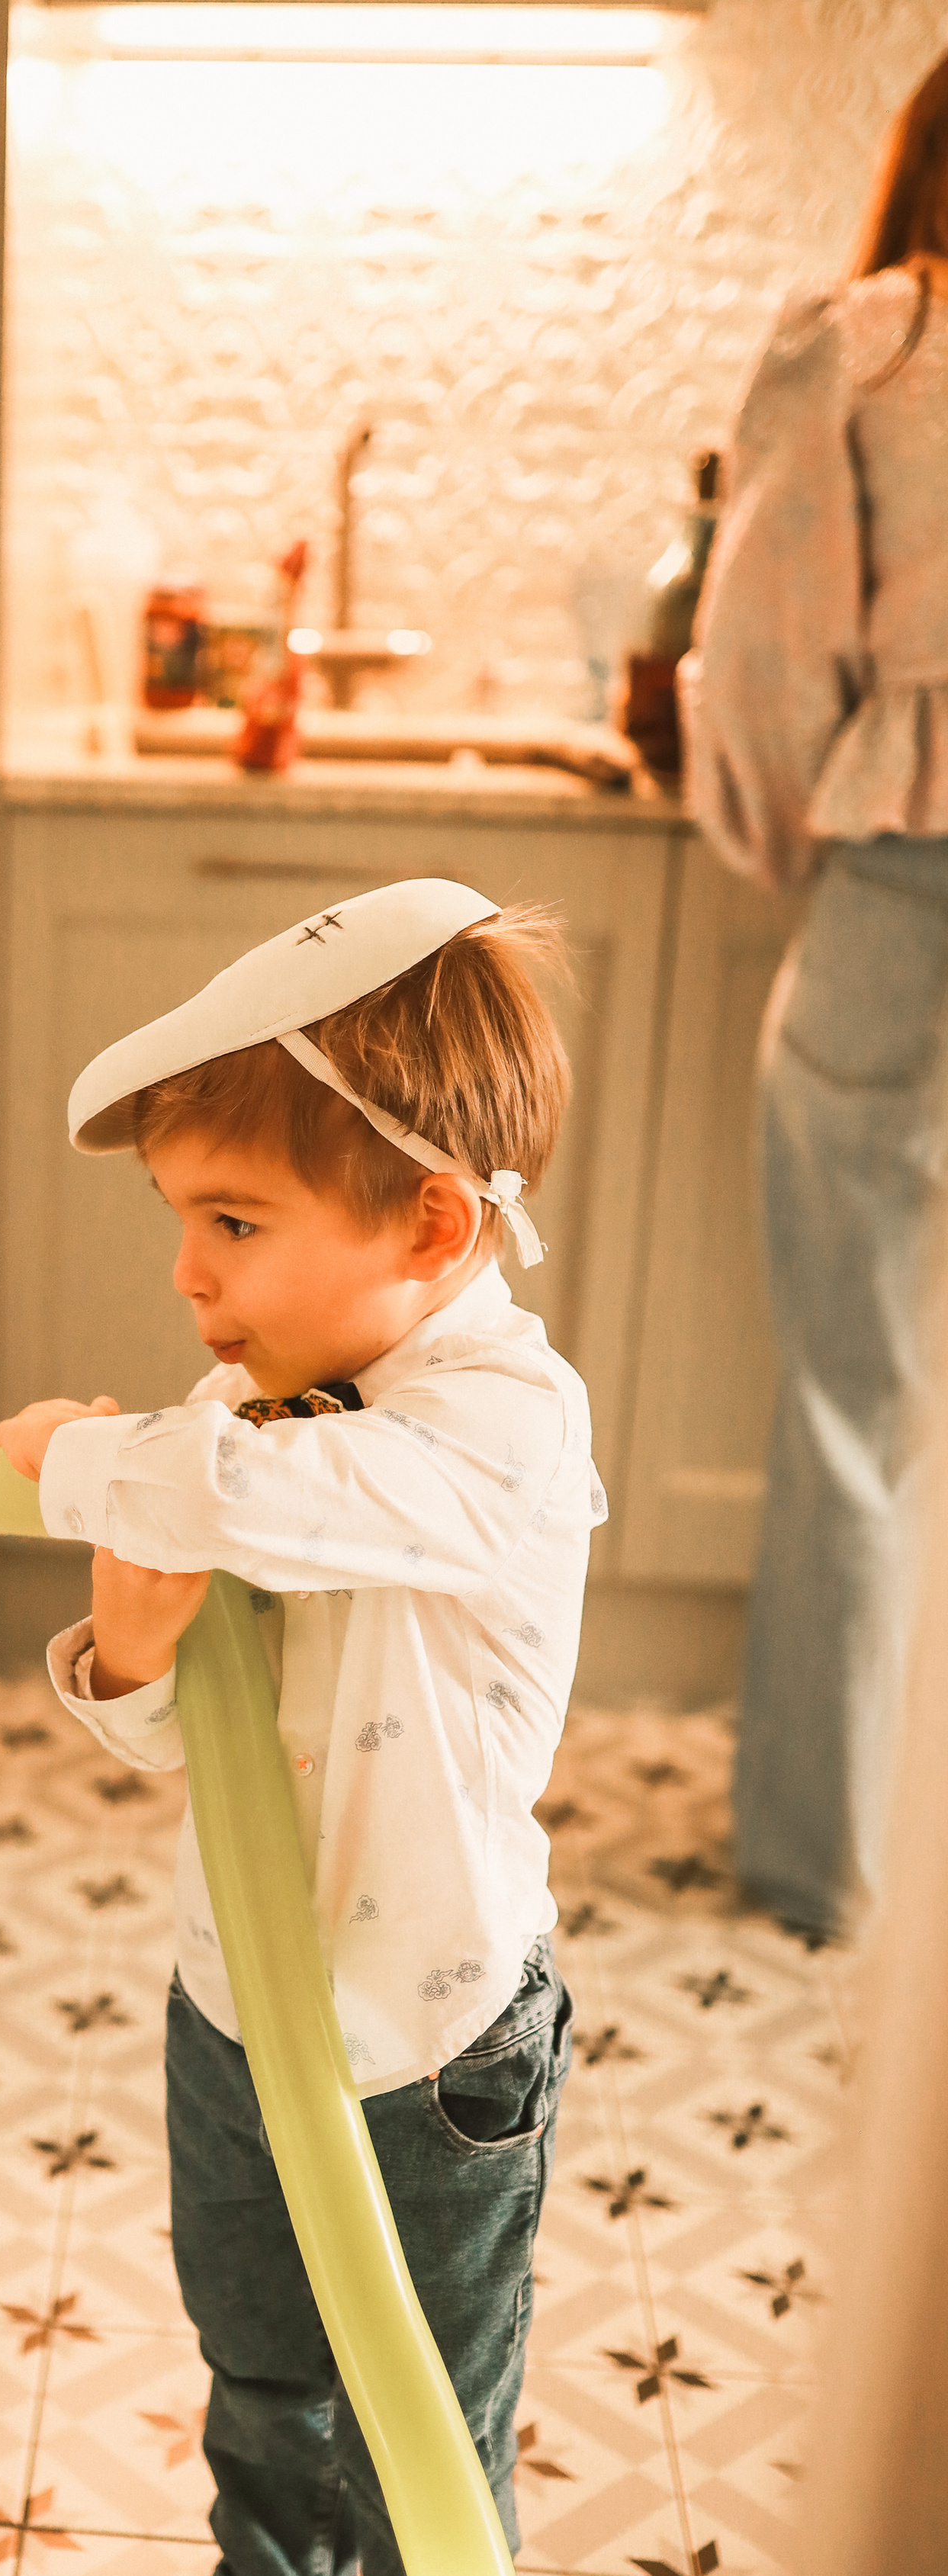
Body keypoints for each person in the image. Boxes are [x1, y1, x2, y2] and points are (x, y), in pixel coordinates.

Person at [0, 878, 599, 2576]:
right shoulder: (236, 1425)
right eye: (184, 1223)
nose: (185, 1273)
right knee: (257, 2348)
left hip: (437, 2043)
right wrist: (134, 1653)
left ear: (427, 1225)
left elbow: (263, 1501)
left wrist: (77, 1462)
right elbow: (182, 1735)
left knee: (423, 2394)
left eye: (232, 1223)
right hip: (232, 2004)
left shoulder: (499, 1430)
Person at [681, 47, 948, 1948]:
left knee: (858, 1401)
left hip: (905, 892)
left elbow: (760, 648)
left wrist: (781, 831)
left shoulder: (869, 343)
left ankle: (819, 1866)